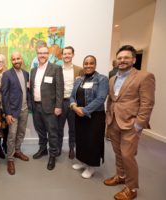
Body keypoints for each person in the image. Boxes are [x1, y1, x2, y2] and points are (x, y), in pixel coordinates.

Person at [104, 45, 155, 200]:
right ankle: (120, 175)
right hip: (113, 122)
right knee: (118, 153)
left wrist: (138, 124)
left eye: (126, 58)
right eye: (119, 58)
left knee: (128, 156)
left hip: (130, 124)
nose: (122, 60)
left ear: (134, 59)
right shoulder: (113, 78)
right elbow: (112, 100)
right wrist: (108, 119)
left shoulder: (144, 77)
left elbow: (148, 103)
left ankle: (131, 188)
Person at [69, 55, 108, 179]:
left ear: (95, 65)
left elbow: (101, 98)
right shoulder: (79, 79)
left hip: (94, 116)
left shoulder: (102, 79)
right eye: (86, 63)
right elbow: (72, 96)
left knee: (92, 141)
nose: (88, 65)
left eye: (91, 63)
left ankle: (91, 167)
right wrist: (74, 107)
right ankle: (82, 162)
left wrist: (85, 111)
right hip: (79, 115)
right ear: (83, 64)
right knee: (81, 140)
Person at [30, 41, 64, 170]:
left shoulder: (55, 68)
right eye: (40, 53)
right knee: (40, 131)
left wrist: (59, 106)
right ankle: (43, 149)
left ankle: (53, 155)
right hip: (36, 106)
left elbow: (60, 88)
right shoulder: (33, 70)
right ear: (37, 54)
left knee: (52, 132)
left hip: (50, 107)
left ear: (48, 54)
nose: (42, 55)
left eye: (45, 53)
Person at [1, 51, 31, 175]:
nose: (17, 61)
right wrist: (7, 113)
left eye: (18, 58)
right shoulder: (7, 74)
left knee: (21, 132)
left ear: (21, 59)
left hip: (24, 110)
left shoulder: (26, 73)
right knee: (12, 135)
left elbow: (27, 90)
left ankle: (17, 151)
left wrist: (29, 104)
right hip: (12, 112)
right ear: (11, 61)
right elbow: (4, 95)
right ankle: (10, 159)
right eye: (14, 59)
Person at [57, 46, 83, 159]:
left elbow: (83, 88)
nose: (67, 55)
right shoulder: (57, 69)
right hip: (61, 102)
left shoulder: (79, 70)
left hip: (74, 103)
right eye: (65, 54)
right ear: (62, 55)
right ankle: (58, 148)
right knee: (59, 127)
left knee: (73, 128)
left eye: (69, 53)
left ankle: (72, 148)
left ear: (73, 54)